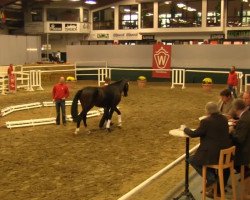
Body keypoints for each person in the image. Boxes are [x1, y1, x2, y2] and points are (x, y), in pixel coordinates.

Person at [181, 102, 232, 197]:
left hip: (213, 154)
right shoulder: (224, 119)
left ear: (207, 111)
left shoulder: (206, 121)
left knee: (191, 159)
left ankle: (211, 178)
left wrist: (185, 128)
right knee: (199, 158)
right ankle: (213, 179)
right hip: (225, 152)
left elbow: (193, 134)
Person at [229, 99, 250, 178]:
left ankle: (219, 186)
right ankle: (245, 171)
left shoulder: (243, 120)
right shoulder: (247, 115)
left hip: (245, 151)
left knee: (226, 158)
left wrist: (231, 131)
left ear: (235, 109)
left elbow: (239, 139)